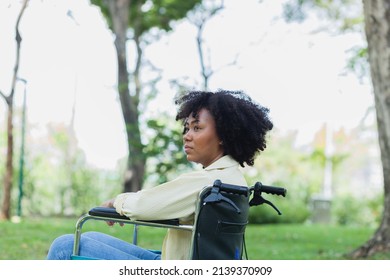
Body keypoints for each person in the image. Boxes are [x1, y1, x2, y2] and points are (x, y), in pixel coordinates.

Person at [46, 89, 273, 260]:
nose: (187, 136)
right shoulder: (232, 178)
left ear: (223, 135)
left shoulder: (208, 182)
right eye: (187, 128)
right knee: (91, 238)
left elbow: (142, 206)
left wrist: (118, 201)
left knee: (65, 245)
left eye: (197, 128)